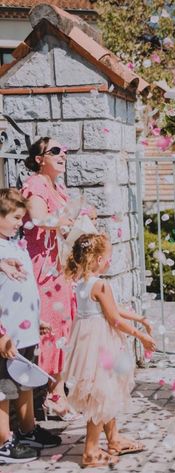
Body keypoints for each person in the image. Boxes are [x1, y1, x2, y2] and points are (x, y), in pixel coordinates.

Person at [62, 233, 156, 467]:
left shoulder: (82, 282)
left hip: (86, 344)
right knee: (100, 394)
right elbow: (114, 319)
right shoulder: (101, 284)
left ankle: (113, 439)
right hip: (101, 343)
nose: (109, 262)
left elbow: (113, 309)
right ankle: (91, 452)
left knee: (103, 388)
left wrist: (140, 318)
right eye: (107, 257)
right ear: (95, 258)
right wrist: (141, 335)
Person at [0, 189, 61, 464]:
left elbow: (24, 288)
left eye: (21, 217)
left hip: (24, 330)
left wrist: (36, 319)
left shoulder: (15, 245)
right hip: (6, 335)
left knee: (23, 384)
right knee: (3, 389)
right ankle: (4, 441)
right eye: (14, 217)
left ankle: (27, 430)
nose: (18, 223)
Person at [20, 137, 77, 419]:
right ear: (39, 158)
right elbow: (37, 217)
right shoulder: (36, 185)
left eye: (64, 150)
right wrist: (64, 221)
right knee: (49, 328)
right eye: (55, 150)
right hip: (44, 268)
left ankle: (57, 393)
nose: (62, 154)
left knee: (63, 327)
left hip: (60, 267)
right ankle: (45, 398)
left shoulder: (58, 188)